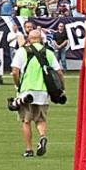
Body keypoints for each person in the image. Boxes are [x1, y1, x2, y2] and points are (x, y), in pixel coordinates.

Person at [10, 22, 60, 158]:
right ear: (41, 39)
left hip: (27, 90)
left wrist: (17, 85)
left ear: (29, 38)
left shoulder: (22, 51)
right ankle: (42, 136)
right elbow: (58, 72)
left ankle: (28, 149)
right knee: (40, 119)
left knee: (26, 120)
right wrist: (61, 88)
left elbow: (14, 71)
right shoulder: (48, 53)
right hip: (43, 91)